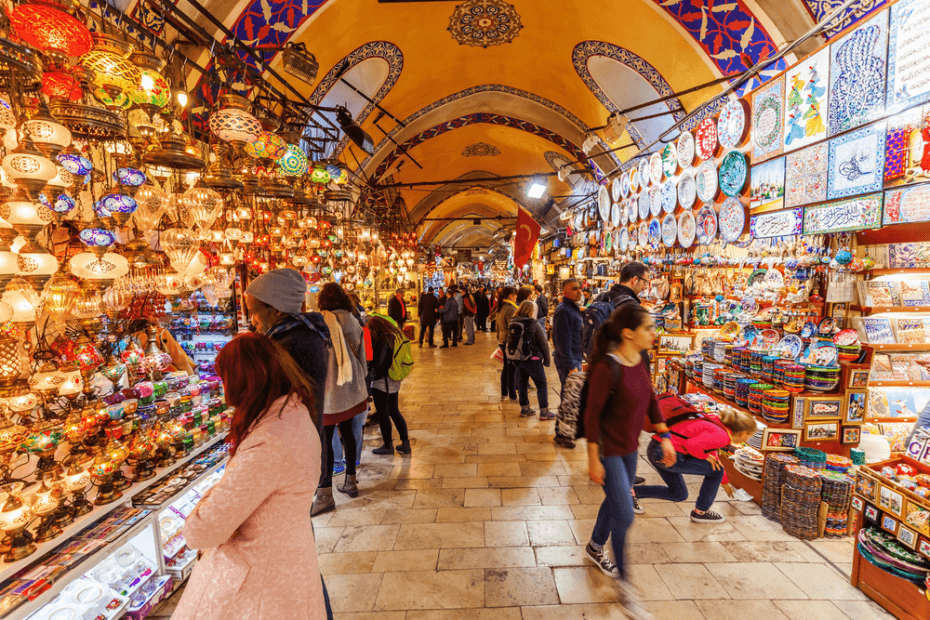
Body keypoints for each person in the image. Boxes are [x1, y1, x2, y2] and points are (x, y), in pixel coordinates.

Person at [171, 332, 326, 620]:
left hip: (259, 587)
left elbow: (201, 531)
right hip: (285, 567)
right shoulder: (293, 413)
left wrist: (210, 497)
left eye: (225, 378)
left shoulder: (268, 441)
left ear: (244, 380)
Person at [243, 268, 334, 618]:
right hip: (302, 448)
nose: (252, 319)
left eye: (255, 310)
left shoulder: (291, 343)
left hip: (290, 455)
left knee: (297, 554)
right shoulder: (302, 335)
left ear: (276, 309)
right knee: (298, 547)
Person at [583, 304, 676, 615]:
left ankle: (596, 546)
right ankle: (625, 587)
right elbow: (592, 416)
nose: (654, 333)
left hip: (630, 449)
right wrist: (593, 458)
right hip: (609, 451)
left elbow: (650, 398)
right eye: (649, 328)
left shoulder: (641, 360)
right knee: (625, 516)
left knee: (615, 501)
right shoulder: (606, 368)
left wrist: (665, 436)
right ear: (628, 333)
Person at [634, 406, 757, 523]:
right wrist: (704, 457)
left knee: (679, 494)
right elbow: (691, 445)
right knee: (715, 472)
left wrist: (724, 483)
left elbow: (712, 453)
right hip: (666, 453)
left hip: (657, 448)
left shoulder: (717, 424)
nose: (749, 439)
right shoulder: (723, 436)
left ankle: (631, 493)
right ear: (743, 433)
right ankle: (701, 512)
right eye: (750, 435)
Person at [316, 283, 369, 510]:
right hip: (351, 386)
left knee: (325, 438)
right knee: (348, 432)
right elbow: (362, 355)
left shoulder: (320, 322)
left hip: (329, 390)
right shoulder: (353, 320)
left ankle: (325, 493)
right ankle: (351, 481)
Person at [367, 315, 411, 455]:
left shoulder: (382, 339)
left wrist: (371, 367)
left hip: (382, 382)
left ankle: (388, 445)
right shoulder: (395, 335)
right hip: (393, 380)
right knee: (394, 411)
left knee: (383, 414)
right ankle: (405, 444)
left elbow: (380, 364)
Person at [510, 300, 552, 420]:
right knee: (541, 384)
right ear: (531, 311)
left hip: (518, 358)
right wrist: (547, 360)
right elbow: (543, 343)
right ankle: (544, 412)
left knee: (522, 383)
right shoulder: (533, 324)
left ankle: (525, 409)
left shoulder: (513, 321)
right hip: (532, 358)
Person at [552, 279, 584, 393]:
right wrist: (571, 366)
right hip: (569, 361)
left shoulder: (571, 308)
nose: (579, 291)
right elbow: (562, 342)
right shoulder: (564, 311)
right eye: (574, 289)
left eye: (579, 288)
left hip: (575, 358)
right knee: (569, 397)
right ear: (565, 292)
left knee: (571, 395)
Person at [495, 286, 519, 401]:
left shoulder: (502, 307)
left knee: (507, 368)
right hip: (509, 341)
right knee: (511, 369)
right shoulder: (510, 309)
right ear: (511, 296)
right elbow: (513, 327)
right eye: (515, 295)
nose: (516, 297)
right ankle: (512, 395)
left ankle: (505, 393)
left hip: (502, 339)